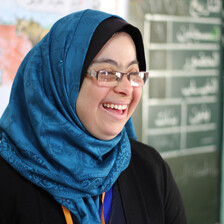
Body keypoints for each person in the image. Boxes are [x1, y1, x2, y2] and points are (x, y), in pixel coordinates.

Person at [0, 9, 187, 224]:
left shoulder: (151, 170)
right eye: (107, 73)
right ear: (62, 81)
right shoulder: (6, 180)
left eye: (134, 74)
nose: (126, 88)